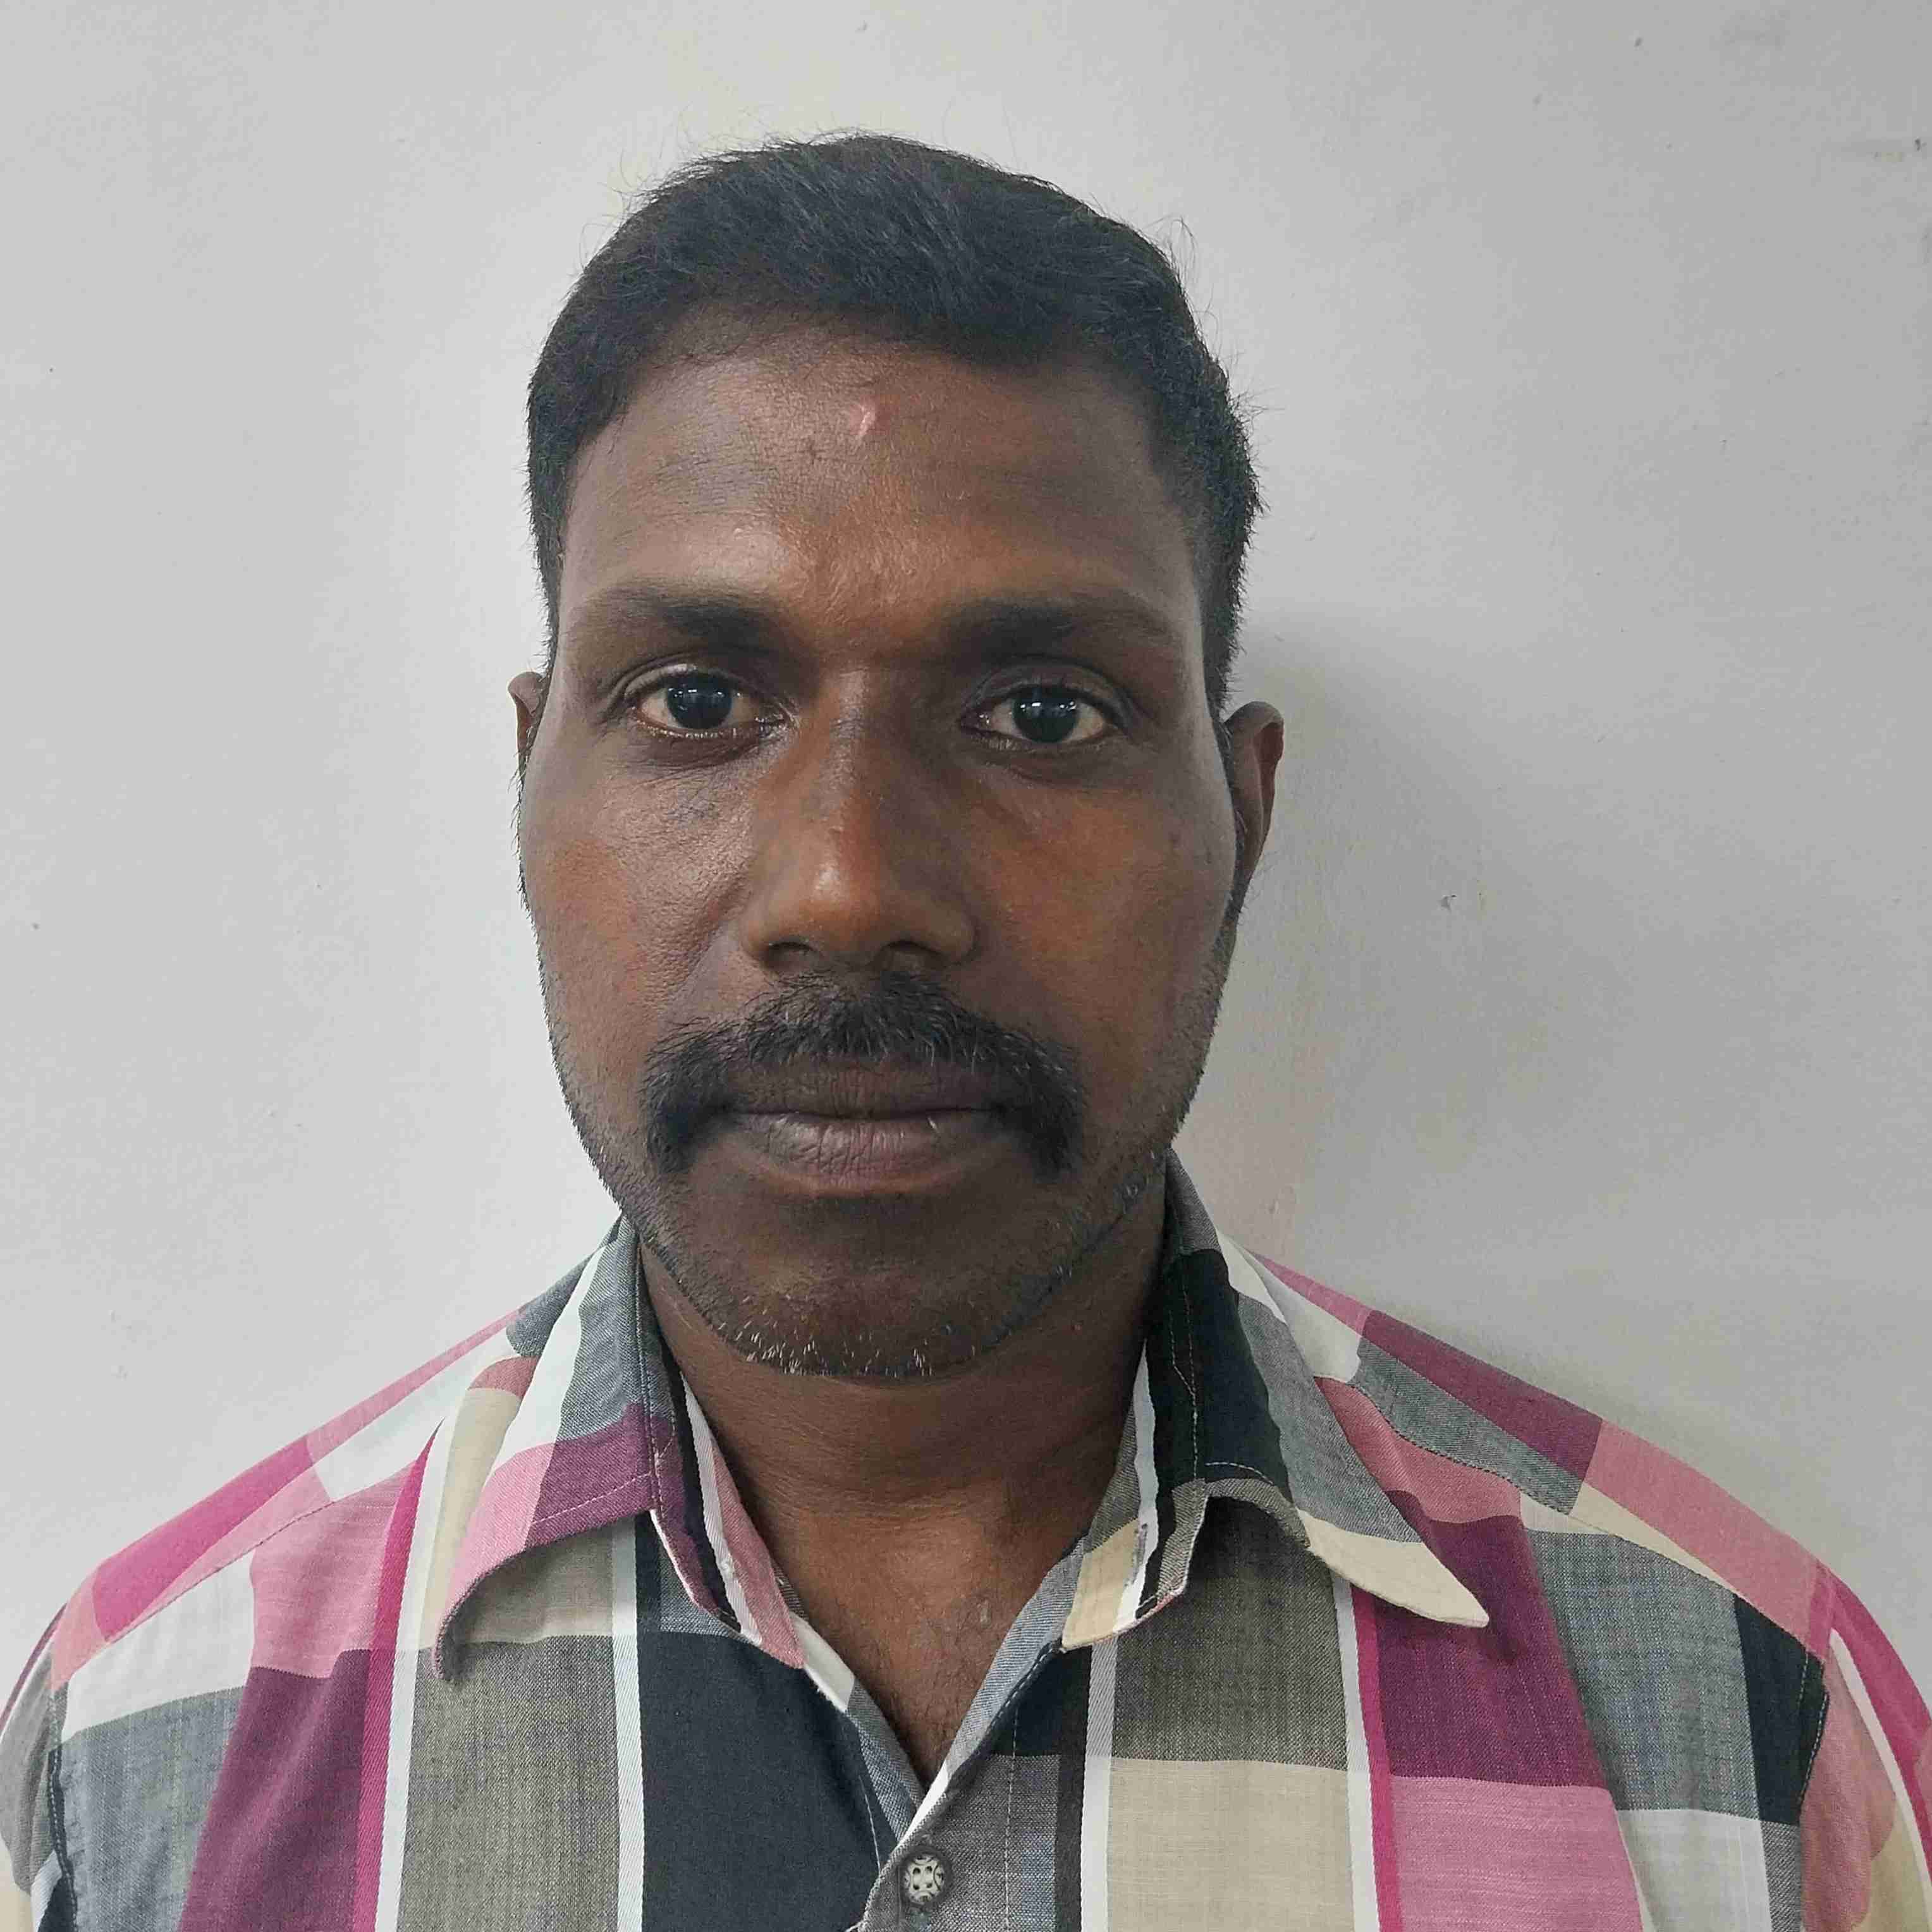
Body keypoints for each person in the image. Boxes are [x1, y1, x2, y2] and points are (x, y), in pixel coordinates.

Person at [3, 131, 1926, 1932]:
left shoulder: (1753, 1733)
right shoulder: (136, 1758)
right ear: (530, 789)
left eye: (1041, 715)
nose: (850, 887)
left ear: (1243, 821)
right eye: (695, 702)